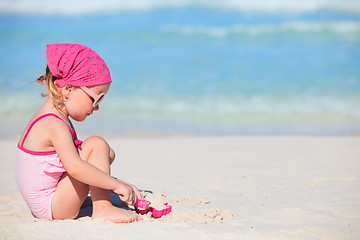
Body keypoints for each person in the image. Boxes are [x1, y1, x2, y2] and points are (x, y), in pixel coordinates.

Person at [16, 43, 143, 223]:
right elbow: (75, 167)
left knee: (105, 152)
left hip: (52, 200)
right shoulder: (53, 124)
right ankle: (103, 209)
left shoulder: (56, 115)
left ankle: (101, 201)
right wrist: (115, 184)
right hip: (52, 206)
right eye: (97, 98)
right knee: (96, 145)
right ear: (68, 90)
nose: (97, 107)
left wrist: (117, 184)